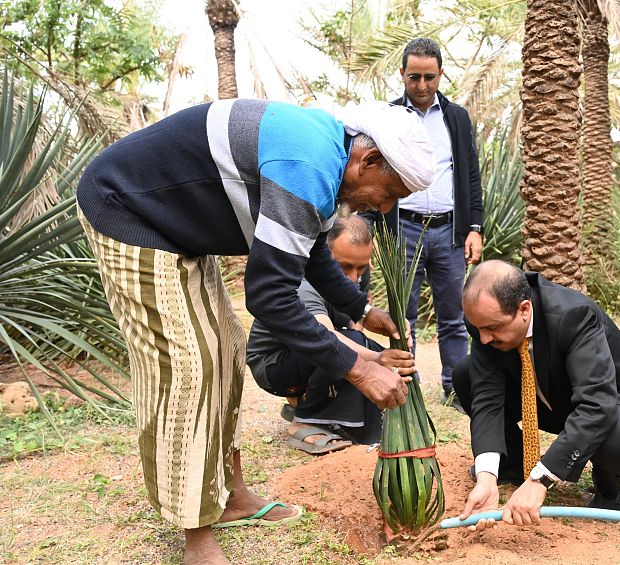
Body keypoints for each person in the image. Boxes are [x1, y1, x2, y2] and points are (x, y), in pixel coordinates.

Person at [75, 99, 434, 564]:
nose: (383, 207)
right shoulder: (307, 164)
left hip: (177, 231)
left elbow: (312, 253)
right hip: (126, 208)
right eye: (389, 193)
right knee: (189, 367)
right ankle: (196, 537)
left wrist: (360, 309)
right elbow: (269, 297)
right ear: (368, 160)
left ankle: (231, 496)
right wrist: (358, 370)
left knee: (225, 352)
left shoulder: (327, 158)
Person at [454, 260, 620, 530]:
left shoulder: (574, 314)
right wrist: (486, 477)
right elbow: (487, 397)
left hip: (616, 397)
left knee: (619, 437)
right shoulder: (484, 322)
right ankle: (514, 465)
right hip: (551, 394)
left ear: (524, 309)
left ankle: (608, 488)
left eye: (492, 328)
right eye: (477, 328)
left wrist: (540, 480)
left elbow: (597, 405)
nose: (483, 339)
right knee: (465, 373)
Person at [246, 214, 415, 453]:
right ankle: (304, 419)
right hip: (275, 366)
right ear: (323, 253)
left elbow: (355, 327)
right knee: (356, 351)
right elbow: (324, 335)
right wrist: (376, 359)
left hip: (311, 351)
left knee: (374, 350)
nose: (354, 277)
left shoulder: (356, 273)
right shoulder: (305, 280)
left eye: (361, 268)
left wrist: (390, 344)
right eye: (345, 266)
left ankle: (315, 406)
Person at [384, 37, 484, 411]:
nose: (422, 86)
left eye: (429, 77)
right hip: (404, 230)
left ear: (441, 73)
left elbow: (470, 176)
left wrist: (474, 228)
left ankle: (456, 388)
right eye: (414, 78)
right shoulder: (389, 116)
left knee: (454, 317)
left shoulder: (456, 118)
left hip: (449, 232)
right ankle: (407, 389)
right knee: (402, 316)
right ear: (402, 75)